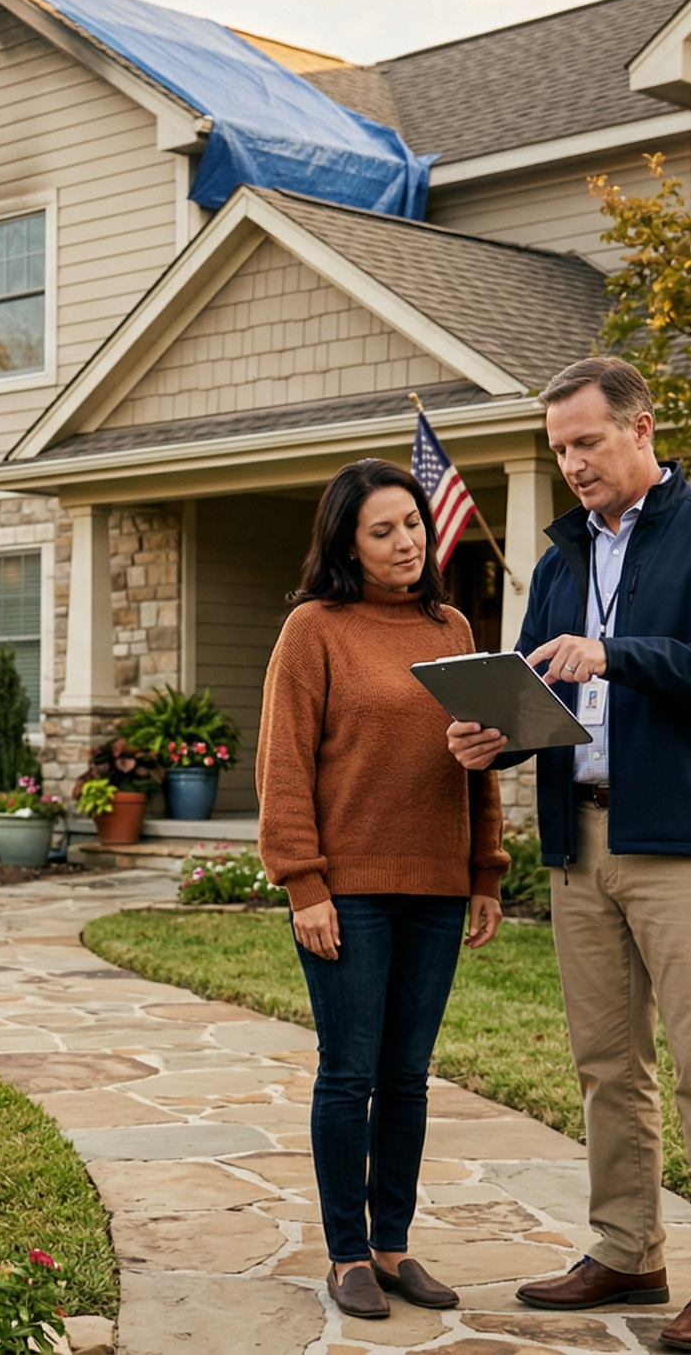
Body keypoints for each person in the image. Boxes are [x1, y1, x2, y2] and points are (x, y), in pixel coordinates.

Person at [446, 357, 691, 1355]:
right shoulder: (558, 563)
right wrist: (491, 736)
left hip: (687, 839)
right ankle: (627, 1248)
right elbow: (534, 690)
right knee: (606, 1063)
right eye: (557, 448)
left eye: (585, 442)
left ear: (641, 429)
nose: (570, 463)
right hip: (578, 838)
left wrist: (618, 651)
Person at [257, 456, 506, 1322]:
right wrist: (304, 885)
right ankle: (345, 1252)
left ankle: (394, 1243)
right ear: (348, 543)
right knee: (348, 1071)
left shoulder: (450, 625)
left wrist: (485, 872)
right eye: (383, 530)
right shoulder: (314, 629)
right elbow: (283, 766)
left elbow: (483, 758)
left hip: (437, 886)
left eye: (413, 524)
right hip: (348, 891)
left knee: (407, 1075)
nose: (406, 541)